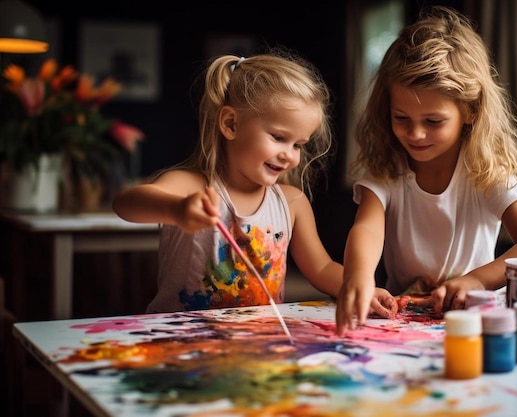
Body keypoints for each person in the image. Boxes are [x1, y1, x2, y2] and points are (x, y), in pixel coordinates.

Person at [113, 51, 393, 314]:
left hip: (255, 343)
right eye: (279, 138)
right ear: (231, 124)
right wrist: (177, 210)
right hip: (182, 342)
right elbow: (125, 203)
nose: (289, 155)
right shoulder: (191, 186)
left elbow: (320, 268)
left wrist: (364, 288)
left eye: (298, 144)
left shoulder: (292, 203)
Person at [335, 6, 517, 335]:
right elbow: (367, 229)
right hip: (405, 321)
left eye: (433, 121)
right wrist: (359, 275)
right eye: (401, 118)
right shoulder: (387, 169)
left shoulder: (484, 171)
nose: (416, 134)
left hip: (475, 322)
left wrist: (477, 279)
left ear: (469, 111)